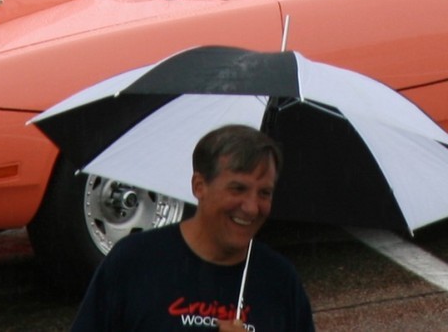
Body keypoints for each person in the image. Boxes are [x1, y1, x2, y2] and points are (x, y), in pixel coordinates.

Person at [69, 124, 314, 332]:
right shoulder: (134, 262)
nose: (251, 208)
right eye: (237, 189)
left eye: (264, 193)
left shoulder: (279, 281)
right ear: (199, 186)